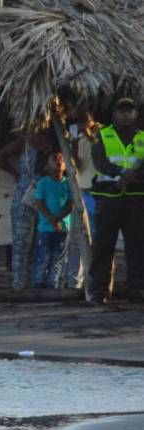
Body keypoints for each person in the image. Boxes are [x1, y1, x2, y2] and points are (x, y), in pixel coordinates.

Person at [88, 98, 144, 304]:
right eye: (122, 111)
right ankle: (99, 291)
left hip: (136, 199)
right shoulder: (103, 135)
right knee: (103, 246)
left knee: (137, 246)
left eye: (130, 110)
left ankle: (137, 289)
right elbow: (100, 161)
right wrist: (120, 173)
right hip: (108, 198)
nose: (126, 114)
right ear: (114, 114)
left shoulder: (142, 137)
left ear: (136, 114)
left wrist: (131, 177)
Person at [0, 131, 52, 289]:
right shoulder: (25, 141)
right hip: (26, 195)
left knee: (42, 241)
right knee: (21, 243)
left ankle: (38, 282)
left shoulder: (56, 141)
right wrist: (16, 174)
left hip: (49, 197)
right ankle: (19, 284)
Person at [65, 113, 99, 288]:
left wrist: (88, 134)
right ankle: (76, 281)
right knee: (79, 235)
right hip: (82, 189)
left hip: (98, 190)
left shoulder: (102, 132)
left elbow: (102, 151)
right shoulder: (77, 138)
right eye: (79, 121)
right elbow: (78, 165)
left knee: (96, 234)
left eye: (84, 120)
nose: (81, 124)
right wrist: (73, 147)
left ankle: (96, 278)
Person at [32, 152, 73, 288]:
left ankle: (53, 285)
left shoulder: (68, 183)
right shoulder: (43, 183)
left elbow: (71, 204)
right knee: (43, 257)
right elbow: (39, 202)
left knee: (57, 259)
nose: (59, 161)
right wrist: (51, 219)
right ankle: (38, 284)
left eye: (61, 159)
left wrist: (58, 219)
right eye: (55, 159)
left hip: (63, 227)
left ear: (66, 166)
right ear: (46, 167)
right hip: (45, 227)